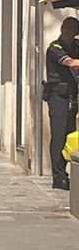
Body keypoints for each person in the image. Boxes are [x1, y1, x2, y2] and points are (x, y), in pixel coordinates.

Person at [44, 16, 79, 190]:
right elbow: (70, 63)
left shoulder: (76, 46)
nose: (67, 30)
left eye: (71, 28)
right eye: (65, 27)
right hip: (58, 96)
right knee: (59, 135)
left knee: (71, 135)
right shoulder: (54, 48)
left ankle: (69, 172)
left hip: (73, 96)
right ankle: (58, 176)